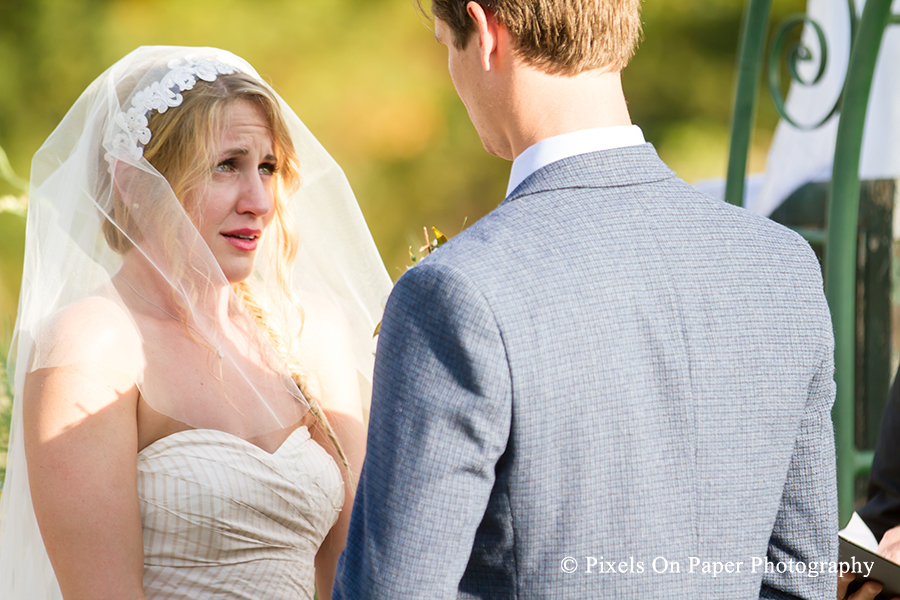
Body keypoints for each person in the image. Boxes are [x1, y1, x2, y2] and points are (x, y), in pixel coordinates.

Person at [333, 1, 838, 598]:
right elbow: (802, 578)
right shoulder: (781, 268)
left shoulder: (454, 294)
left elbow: (395, 589)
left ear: (487, 32)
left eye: (448, 43)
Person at [0, 46, 392, 600]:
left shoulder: (310, 331)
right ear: (136, 185)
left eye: (268, 167)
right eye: (226, 166)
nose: (258, 200)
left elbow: (361, 568)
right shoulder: (93, 345)